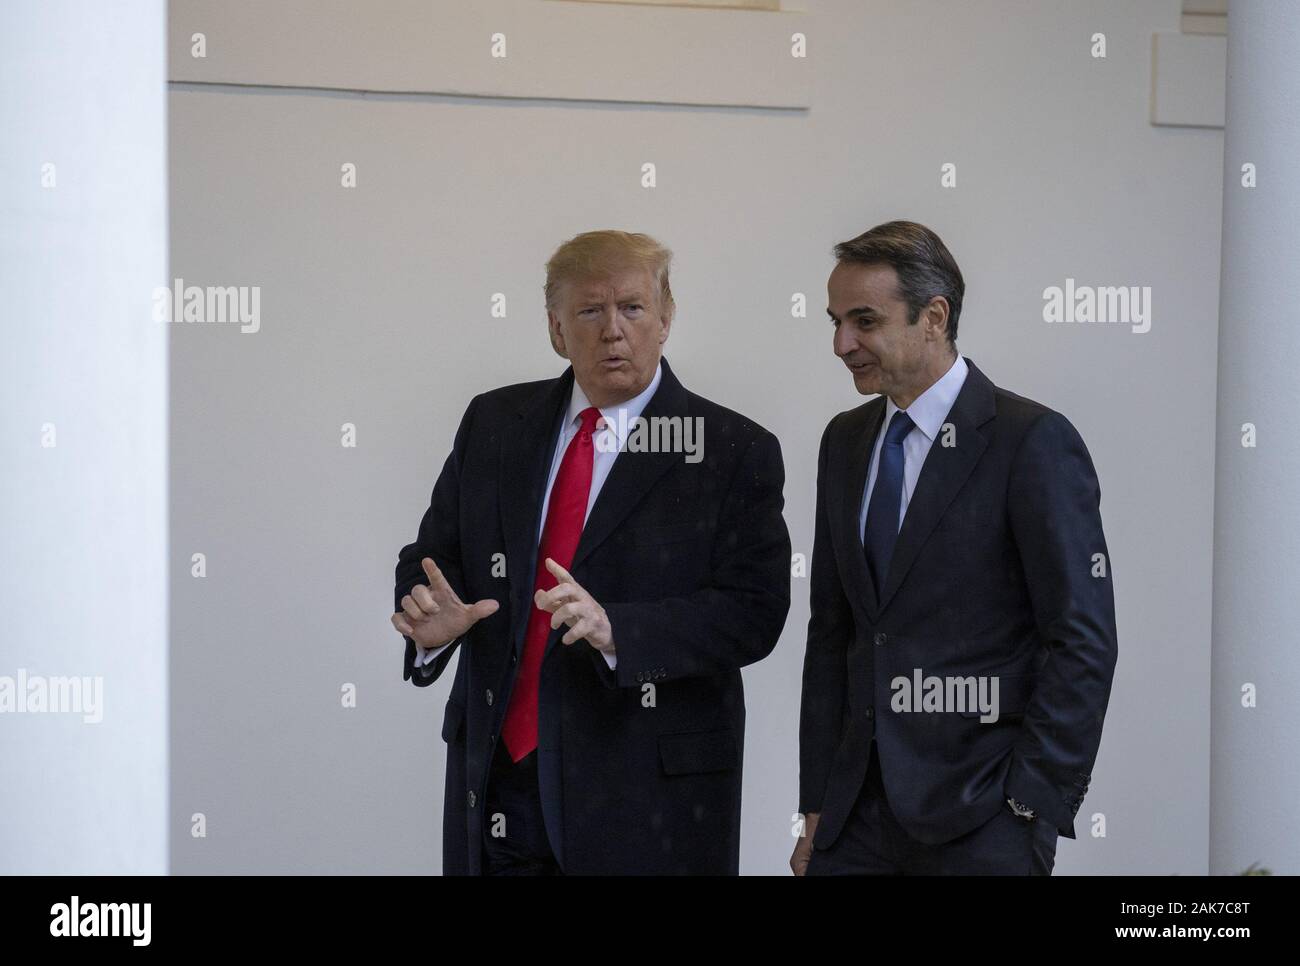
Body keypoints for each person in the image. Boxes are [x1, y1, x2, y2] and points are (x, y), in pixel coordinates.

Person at [393, 229, 791, 874]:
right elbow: (433, 556)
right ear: (556, 329)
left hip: (646, 799)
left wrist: (619, 631)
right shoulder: (494, 424)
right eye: (589, 311)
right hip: (500, 782)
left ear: (666, 319)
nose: (613, 330)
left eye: (632, 308)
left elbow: (754, 612)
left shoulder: (731, 448)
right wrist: (430, 618)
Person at [792, 220, 1118, 875]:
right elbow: (833, 630)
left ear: (933, 316)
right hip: (853, 818)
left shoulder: (1030, 441)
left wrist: (1033, 803)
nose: (841, 343)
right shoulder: (844, 441)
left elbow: (1081, 638)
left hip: (983, 817)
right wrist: (817, 804)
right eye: (834, 321)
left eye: (863, 320)